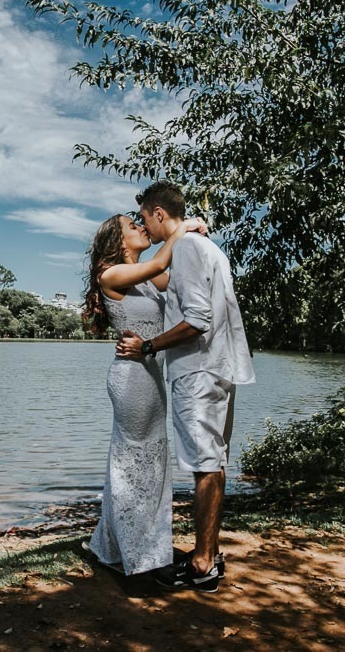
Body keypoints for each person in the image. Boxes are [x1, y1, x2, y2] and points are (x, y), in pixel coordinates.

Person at [117, 181, 255, 593]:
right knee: (213, 462)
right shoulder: (201, 247)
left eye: (144, 217)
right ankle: (208, 553)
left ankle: (203, 563)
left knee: (204, 465)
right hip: (217, 368)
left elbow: (196, 320)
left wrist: (149, 346)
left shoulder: (191, 249)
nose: (144, 224)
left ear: (159, 213)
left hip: (198, 371)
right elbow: (170, 287)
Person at [83, 212, 206, 576]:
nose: (141, 227)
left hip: (152, 375)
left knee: (150, 462)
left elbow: (177, 278)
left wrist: (193, 236)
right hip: (132, 380)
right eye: (132, 226)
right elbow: (160, 260)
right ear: (118, 241)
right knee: (135, 462)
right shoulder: (112, 274)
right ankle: (140, 556)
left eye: (141, 222)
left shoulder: (150, 281)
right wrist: (179, 227)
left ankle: (129, 544)